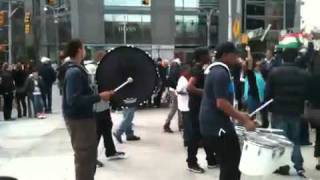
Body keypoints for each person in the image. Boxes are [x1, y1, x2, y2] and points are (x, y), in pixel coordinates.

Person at [199, 42, 256, 180]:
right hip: (218, 127)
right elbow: (221, 103)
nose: (237, 58)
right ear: (225, 55)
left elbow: (223, 102)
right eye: (234, 55)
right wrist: (244, 120)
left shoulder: (219, 71)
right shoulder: (220, 73)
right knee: (232, 166)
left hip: (216, 124)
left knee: (230, 165)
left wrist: (240, 114)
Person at [62, 39, 114, 180]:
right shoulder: (74, 72)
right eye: (83, 48)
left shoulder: (76, 69)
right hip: (79, 121)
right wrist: (99, 97)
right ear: (79, 50)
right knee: (85, 158)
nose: (84, 51)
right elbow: (73, 100)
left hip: (83, 119)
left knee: (89, 157)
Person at [266, 48, 309, 177]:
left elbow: (268, 93)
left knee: (280, 140)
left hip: (278, 111)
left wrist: (269, 108)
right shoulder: (303, 74)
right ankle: (299, 166)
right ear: (296, 57)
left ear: (283, 58)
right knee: (295, 139)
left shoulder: (274, 72)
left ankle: (282, 166)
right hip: (295, 111)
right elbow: (305, 93)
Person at [185, 47, 217, 173]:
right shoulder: (197, 70)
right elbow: (190, 87)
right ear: (202, 56)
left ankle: (211, 159)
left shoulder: (201, 68)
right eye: (208, 54)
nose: (210, 56)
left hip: (200, 106)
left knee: (205, 132)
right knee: (196, 134)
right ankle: (191, 162)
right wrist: (207, 93)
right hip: (196, 107)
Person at [92, 50, 126, 168]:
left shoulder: (106, 71)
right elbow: (94, 89)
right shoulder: (94, 70)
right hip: (97, 107)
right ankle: (91, 158)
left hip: (104, 106)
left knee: (107, 128)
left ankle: (110, 151)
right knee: (97, 133)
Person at [243, 46, 265, 116]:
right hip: (253, 97)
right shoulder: (251, 73)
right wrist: (249, 51)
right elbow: (250, 60)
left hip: (259, 97)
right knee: (252, 116)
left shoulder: (262, 73)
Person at [163, 58, 182, 133]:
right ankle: (167, 124)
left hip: (173, 90)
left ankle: (180, 124)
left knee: (177, 108)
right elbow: (174, 79)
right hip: (175, 90)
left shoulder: (171, 68)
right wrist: (177, 87)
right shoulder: (175, 68)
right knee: (175, 108)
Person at [176, 65, 191, 146]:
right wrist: (188, 93)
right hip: (184, 105)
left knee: (188, 124)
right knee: (187, 125)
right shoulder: (182, 80)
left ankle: (187, 140)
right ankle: (187, 140)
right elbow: (178, 91)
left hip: (186, 105)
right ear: (184, 72)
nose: (189, 72)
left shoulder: (185, 79)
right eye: (188, 70)